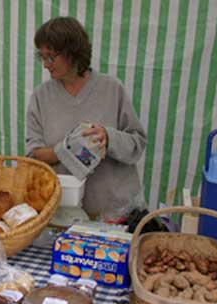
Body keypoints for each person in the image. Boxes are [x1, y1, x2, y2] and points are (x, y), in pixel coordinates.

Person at [26, 16, 147, 219]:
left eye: (50, 57)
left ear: (72, 53)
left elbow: (137, 143)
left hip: (114, 213)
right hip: (64, 214)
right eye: (41, 56)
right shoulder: (41, 96)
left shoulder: (111, 88)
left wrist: (108, 138)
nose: (45, 65)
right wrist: (63, 151)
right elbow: (33, 154)